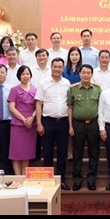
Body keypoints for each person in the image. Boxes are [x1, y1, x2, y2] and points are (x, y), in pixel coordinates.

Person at [35, 57, 72, 191]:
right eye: (55, 66)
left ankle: (61, 179)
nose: (57, 69)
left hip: (63, 122)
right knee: (48, 152)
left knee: (62, 153)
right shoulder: (43, 83)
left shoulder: (67, 83)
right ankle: (48, 181)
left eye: (60, 67)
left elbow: (69, 105)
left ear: (63, 68)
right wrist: (39, 123)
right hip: (48, 121)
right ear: (51, 67)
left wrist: (70, 124)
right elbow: (38, 104)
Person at [68, 65, 102, 191]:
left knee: (94, 152)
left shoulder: (98, 89)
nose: (86, 75)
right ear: (80, 74)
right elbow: (70, 107)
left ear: (92, 74)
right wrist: (70, 125)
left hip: (93, 123)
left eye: (88, 72)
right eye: (84, 72)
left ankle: (91, 179)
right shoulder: (73, 89)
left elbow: (101, 107)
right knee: (77, 153)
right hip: (78, 124)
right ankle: (77, 179)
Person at [8, 65, 38, 175]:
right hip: (18, 125)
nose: (25, 76)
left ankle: (24, 176)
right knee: (16, 153)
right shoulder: (14, 89)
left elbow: (38, 106)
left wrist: (32, 118)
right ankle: (18, 177)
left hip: (31, 125)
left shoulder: (35, 89)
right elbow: (12, 107)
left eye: (27, 74)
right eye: (23, 74)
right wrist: (24, 120)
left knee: (27, 153)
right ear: (19, 76)